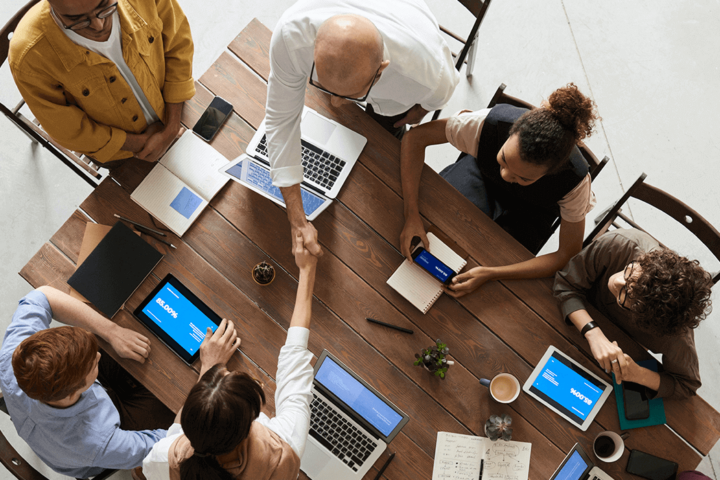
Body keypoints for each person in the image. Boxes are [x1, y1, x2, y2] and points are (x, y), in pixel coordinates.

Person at [266, 0, 460, 258]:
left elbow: (434, 100)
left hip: (404, 75)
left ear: (381, 71)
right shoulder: (290, 36)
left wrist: (418, 112)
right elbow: (281, 120)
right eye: (325, 86)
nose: (335, 104)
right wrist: (297, 217)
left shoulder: (431, 78)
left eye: (349, 96)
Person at [141, 232, 317, 480]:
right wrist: (308, 270)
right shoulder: (282, 452)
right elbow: (295, 369)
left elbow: (174, 433)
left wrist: (208, 368)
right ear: (249, 426)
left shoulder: (166, 457)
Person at [399, 83, 600, 297]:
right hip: (481, 176)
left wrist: (491, 273)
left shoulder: (575, 183)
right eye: (504, 159)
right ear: (511, 133)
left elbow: (567, 254)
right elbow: (415, 138)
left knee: (496, 268)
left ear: (551, 173)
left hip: (533, 211)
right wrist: (411, 214)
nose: (505, 175)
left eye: (523, 177)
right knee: (438, 222)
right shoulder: (487, 124)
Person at [0, 286, 174, 478]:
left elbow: (43, 295)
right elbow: (168, 448)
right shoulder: (97, 442)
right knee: (176, 402)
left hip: (56, 431)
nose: (98, 355)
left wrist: (112, 332)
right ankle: (138, 472)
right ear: (75, 392)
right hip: (95, 450)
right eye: (93, 364)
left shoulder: (17, 355)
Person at [9, 0, 195, 167]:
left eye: (104, 6)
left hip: (175, 110)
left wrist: (171, 127)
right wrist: (141, 143)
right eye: (77, 19)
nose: (98, 25)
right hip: (122, 153)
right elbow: (68, 130)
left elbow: (178, 45)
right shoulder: (28, 57)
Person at [553, 229, 713, 398]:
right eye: (630, 273)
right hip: (569, 322)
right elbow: (565, 284)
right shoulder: (620, 244)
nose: (617, 281)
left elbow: (686, 385)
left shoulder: (675, 334)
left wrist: (637, 373)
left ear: (644, 317)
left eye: (626, 294)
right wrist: (594, 334)